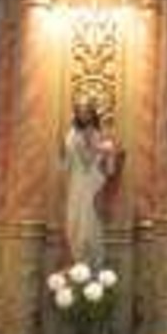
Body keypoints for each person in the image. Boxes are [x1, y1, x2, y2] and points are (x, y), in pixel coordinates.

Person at [62, 100, 122, 267]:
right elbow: (65, 165)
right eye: (80, 112)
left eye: (87, 112)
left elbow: (110, 170)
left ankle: (94, 268)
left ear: (92, 114)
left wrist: (108, 152)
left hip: (95, 186)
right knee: (74, 225)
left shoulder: (102, 136)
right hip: (77, 185)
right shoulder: (71, 135)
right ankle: (78, 267)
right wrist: (67, 149)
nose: (83, 115)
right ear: (76, 115)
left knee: (91, 227)